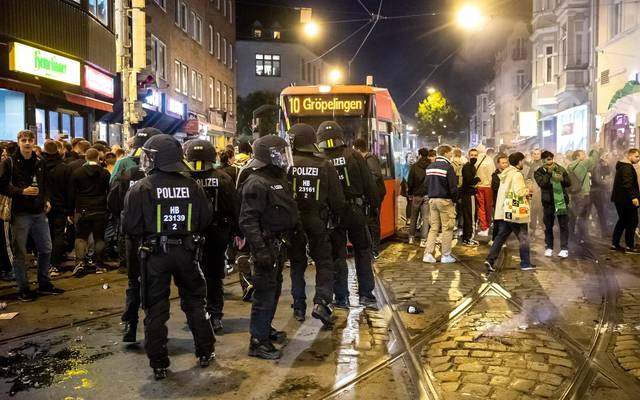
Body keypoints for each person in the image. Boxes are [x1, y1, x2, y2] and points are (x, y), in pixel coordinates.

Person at [123, 134, 215, 379]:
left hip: (154, 255)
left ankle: (159, 363)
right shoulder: (193, 185)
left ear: (155, 159)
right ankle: (205, 351)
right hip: (187, 252)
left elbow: (130, 227)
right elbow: (205, 220)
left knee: (155, 309)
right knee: (195, 301)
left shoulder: (142, 187)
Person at [239, 135, 299, 360]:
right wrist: (260, 249)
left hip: (279, 244)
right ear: (267, 156)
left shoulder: (277, 178)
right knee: (264, 292)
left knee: (273, 290)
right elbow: (248, 220)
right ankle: (257, 341)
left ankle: (265, 329)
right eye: (279, 154)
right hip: (265, 245)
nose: (284, 158)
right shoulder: (256, 182)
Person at [317, 121, 380, 309]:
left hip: (332, 214)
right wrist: (373, 209)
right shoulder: (354, 156)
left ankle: (341, 297)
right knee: (362, 251)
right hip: (355, 211)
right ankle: (366, 295)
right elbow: (370, 186)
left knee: (338, 255)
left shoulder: (320, 159)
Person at [287, 124, 345, 326]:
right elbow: (337, 199)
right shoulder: (325, 164)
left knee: (297, 263)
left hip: (294, 222)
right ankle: (321, 302)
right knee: (324, 262)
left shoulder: (288, 164)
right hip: (318, 220)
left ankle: (299, 306)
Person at [108, 128, 161, 342]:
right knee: (157, 282)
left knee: (134, 281)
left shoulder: (125, 169)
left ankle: (130, 324)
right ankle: (154, 327)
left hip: (132, 235)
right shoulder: (163, 172)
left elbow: (112, 200)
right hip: (156, 236)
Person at [0, 130, 64, 301]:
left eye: (30, 140)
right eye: (24, 140)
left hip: (38, 212)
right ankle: (23, 288)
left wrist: (46, 200)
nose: (27, 143)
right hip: (19, 213)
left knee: (46, 248)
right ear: (19, 142)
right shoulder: (9, 162)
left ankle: (44, 283)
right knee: (19, 252)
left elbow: (44, 184)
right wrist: (21, 191)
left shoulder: (39, 162)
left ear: (34, 142)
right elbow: (2, 185)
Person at [184, 139, 239, 334]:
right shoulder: (223, 178)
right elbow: (233, 207)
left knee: (189, 276)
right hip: (216, 233)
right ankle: (215, 315)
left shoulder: (183, 177)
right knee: (214, 276)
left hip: (188, 235)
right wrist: (236, 232)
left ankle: (195, 314)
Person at [485, 152, 535, 272]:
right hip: (515, 211)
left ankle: (490, 259)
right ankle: (525, 263)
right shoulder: (516, 174)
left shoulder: (505, 173)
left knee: (501, 236)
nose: (523, 163)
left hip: (505, 210)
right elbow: (519, 192)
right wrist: (528, 189)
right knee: (523, 237)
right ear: (519, 162)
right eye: (522, 160)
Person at [68, 148, 111, 275]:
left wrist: (70, 212)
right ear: (98, 158)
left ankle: (80, 263)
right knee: (99, 237)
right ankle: (99, 264)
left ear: (86, 157)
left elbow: (71, 194)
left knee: (81, 237)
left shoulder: (77, 173)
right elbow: (109, 191)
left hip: (82, 209)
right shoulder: (105, 173)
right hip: (100, 208)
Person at [422, 144, 458, 264]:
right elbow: (453, 187)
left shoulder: (430, 166)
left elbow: (426, 184)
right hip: (445, 200)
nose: (451, 155)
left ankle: (428, 254)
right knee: (447, 228)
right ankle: (445, 255)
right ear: (446, 153)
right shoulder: (448, 167)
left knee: (434, 228)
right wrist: (455, 200)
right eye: (450, 153)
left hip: (432, 200)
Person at [41, 140, 72, 275]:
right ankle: (55, 264)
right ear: (58, 151)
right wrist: (70, 210)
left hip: (42, 207)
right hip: (61, 206)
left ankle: (43, 262)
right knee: (58, 234)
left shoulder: (39, 166)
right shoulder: (65, 167)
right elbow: (70, 191)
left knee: (43, 235)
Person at [353, 138, 386, 259]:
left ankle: (375, 250)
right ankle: (371, 248)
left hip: (375, 194)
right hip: (372, 194)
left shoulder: (370, 158)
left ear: (357, 149)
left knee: (373, 222)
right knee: (370, 221)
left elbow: (376, 174)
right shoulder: (365, 159)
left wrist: (363, 182)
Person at [534, 151, 571, 258]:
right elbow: (542, 184)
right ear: (543, 160)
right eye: (547, 158)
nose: (549, 160)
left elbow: (569, 183)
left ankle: (564, 248)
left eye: (551, 158)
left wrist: (562, 179)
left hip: (560, 201)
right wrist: (549, 173)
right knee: (548, 226)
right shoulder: (539, 172)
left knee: (563, 225)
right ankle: (549, 247)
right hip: (548, 202)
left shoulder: (560, 169)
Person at [566, 149, 600, 243]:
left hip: (573, 194)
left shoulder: (569, 166)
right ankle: (581, 237)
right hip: (582, 194)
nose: (585, 155)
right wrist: (595, 149)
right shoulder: (582, 164)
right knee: (582, 216)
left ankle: (571, 236)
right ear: (577, 157)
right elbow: (594, 158)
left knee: (573, 215)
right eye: (583, 154)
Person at [611, 148, 640, 253]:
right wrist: (634, 197)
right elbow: (628, 184)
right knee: (632, 222)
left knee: (622, 221)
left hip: (621, 199)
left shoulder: (623, 166)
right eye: (636, 156)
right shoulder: (627, 167)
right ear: (629, 155)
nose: (638, 159)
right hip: (626, 200)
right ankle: (629, 246)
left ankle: (615, 244)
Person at [407, 148, 430, 247]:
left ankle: (411, 238)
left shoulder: (414, 167)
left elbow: (410, 181)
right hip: (427, 195)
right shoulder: (430, 166)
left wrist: (410, 193)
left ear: (420, 155)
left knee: (413, 217)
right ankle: (423, 240)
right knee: (425, 218)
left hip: (416, 195)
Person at [460, 148, 481, 246]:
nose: (474, 157)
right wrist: (477, 179)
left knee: (468, 217)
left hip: (468, 194)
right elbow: (470, 181)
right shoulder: (468, 167)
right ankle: (469, 238)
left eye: (475, 155)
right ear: (468, 156)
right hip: (469, 195)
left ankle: (466, 237)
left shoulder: (472, 166)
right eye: (472, 155)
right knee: (471, 217)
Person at [590, 151, 612, 236]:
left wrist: (606, 165)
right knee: (599, 212)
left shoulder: (603, 165)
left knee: (601, 212)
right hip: (595, 192)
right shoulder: (597, 166)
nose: (609, 159)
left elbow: (607, 173)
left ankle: (603, 231)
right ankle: (602, 231)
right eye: (607, 157)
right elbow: (597, 179)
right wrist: (605, 183)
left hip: (598, 192)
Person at [475, 147, 496, 236]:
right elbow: (493, 174)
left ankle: (484, 227)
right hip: (489, 187)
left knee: (481, 207)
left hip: (479, 186)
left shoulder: (475, 161)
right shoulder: (490, 160)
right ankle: (488, 224)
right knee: (489, 207)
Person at [490, 154, 509, 243]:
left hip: (507, 202)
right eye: (503, 163)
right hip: (498, 202)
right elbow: (496, 187)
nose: (505, 164)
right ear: (498, 164)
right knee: (498, 221)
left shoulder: (509, 174)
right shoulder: (495, 175)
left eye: (506, 163)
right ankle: (495, 239)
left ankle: (502, 240)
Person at [524, 149, 543, 237]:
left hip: (541, 191)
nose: (536, 155)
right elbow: (529, 177)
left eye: (538, 154)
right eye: (534, 154)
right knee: (534, 210)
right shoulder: (533, 164)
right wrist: (529, 184)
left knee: (540, 210)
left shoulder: (542, 164)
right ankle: (533, 228)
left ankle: (540, 227)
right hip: (534, 191)